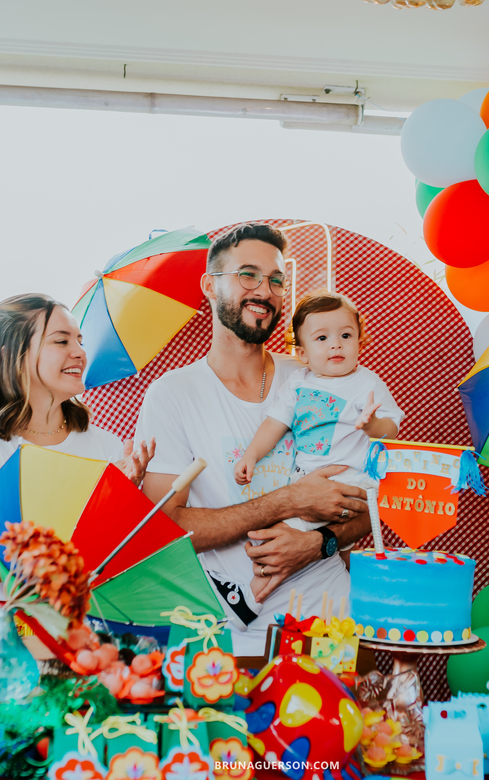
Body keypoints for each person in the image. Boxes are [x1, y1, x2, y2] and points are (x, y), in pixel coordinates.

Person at [136, 223, 375, 656]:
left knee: (343, 725)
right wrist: (289, 502)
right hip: (226, 638)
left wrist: (318, 543)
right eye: (248, 275)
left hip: (333, 622)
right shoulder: (173, 395)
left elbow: (370, 506)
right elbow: (163, 529)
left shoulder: (317, 379)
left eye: (276, 280)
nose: (264, 290)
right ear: (210, 286)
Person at [0, 293, 154, 713]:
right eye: (61, 340)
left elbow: (113, 563)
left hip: (75, 641)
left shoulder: (105, 445)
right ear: (10, 353)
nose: (80, 351)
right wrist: (91, 498)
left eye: (80, 340)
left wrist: (125, 503)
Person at [234, 290, 402, 603]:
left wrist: (372, 425)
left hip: (352, 482)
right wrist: (251, 455)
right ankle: (263, 594)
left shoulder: (368, 383)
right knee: (326, 550)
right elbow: (274, 424)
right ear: (303, 353)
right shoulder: (299, 383)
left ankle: (251, 595)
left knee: (275, 538)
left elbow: (391, 428)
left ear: (360, 342)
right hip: (308, 481)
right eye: (322, 338)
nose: (336, 344)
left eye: (346, 335)